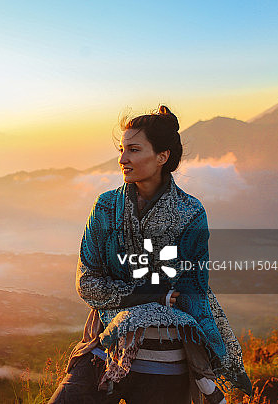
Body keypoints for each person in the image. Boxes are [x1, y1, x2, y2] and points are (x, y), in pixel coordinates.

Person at [48, 106, 251, 404]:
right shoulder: (106, 207)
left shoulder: (190, 213)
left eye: (133, 149)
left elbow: (191, 291)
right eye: (121, 150)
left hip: (166, 360)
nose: (122, 159)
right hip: (106, 347)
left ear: (162, 156)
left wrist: (205, 357)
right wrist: (152, 295)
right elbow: (87, 284)